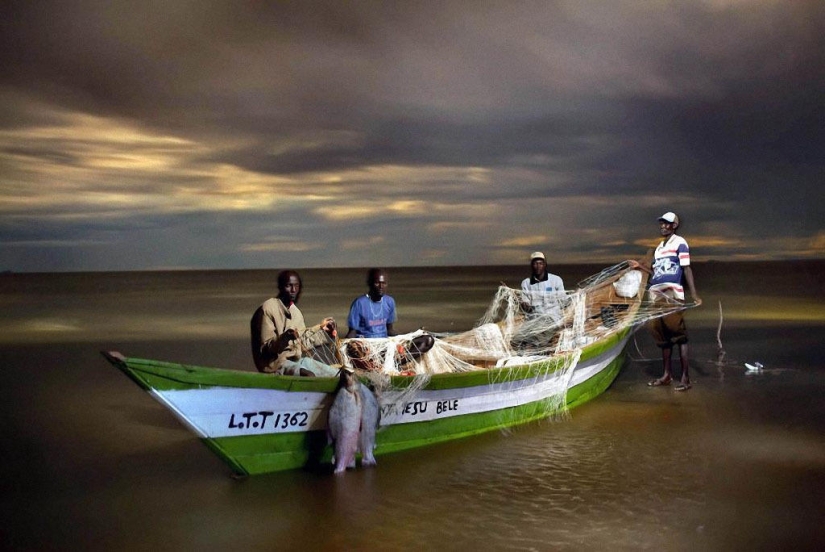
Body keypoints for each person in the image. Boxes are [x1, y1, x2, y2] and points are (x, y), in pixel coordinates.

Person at [628, 211, 702, 391]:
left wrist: (694, 294)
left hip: (672, 295)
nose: (663, 226)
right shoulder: (659, 248)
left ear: (674, 226)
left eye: (667, 223)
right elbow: (657, 273)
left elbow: (686, 269)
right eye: (661, 223)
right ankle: (666, 375)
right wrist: (640, 266)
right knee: (661, 335)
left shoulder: (680, 242)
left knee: (678, 335)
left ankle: (685, 378)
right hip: (656, 295)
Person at [250, 270, 340, 377]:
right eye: (289, 286)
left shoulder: (296, 313)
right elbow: (266, 349)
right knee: (309, 375)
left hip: (296, 361)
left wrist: (324, 332)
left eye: (296, 286)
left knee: (338, 374)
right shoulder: (267, 309)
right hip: (274, 365)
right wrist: (284, 338)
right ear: (280, 287)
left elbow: (302, 343)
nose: (293, 290)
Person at [345, 268, 434, 365]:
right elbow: (352, 333)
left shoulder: (389, 301)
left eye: (384, 283)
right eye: (377, 283)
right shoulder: (359, 303)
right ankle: (392, 364)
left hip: (385, 345)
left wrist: (409, 336)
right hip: (368, 349)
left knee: (428, 340)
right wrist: (343, 347)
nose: (381, 287)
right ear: (370, 283)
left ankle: (395, 363)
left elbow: (390, 330)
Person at [520, 252, 566, 323]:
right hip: (535, 322)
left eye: (540, 263)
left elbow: (564, 302)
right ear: (531, 266)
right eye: (535, 264)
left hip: (554, 320)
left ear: (545, 265)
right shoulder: (526, 283)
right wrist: (524, 305)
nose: (538, 266)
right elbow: (527, 308)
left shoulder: (556, 280)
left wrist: (576, 295)